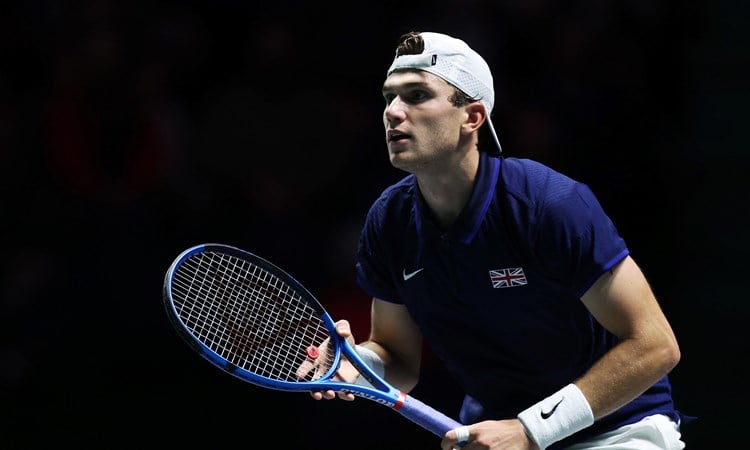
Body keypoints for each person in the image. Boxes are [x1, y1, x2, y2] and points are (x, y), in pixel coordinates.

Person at [299, 31, 690, 450]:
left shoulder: (548, 204)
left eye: (415, 95)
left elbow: (654, 345)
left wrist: (530, 431)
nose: (393, 112)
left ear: (472, 117)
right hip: (492, 433)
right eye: (388, 97)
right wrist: (360, 364)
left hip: (617, 429)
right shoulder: (389, 222)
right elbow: (397, 355)